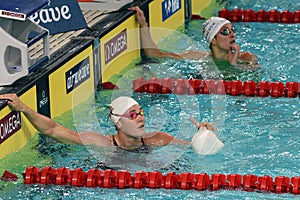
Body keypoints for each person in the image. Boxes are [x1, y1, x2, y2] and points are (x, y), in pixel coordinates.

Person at [0, 93, 215, 151]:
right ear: (118, 124)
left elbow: (192, 148)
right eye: (133, 115)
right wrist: (23, 108)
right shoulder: (102, 143)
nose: (141, 116)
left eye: (140, 111)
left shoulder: (157, 139)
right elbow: (54, 129)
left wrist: (204, 134)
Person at [128, 6, 259, 69]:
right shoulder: (196, 57)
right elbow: (154, 54)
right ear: (213, 39)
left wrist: (234, 64)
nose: (232, 34)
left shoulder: (247, 58)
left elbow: (254, 82)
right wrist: (143, 25)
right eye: (225, 31)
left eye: (232, 30)